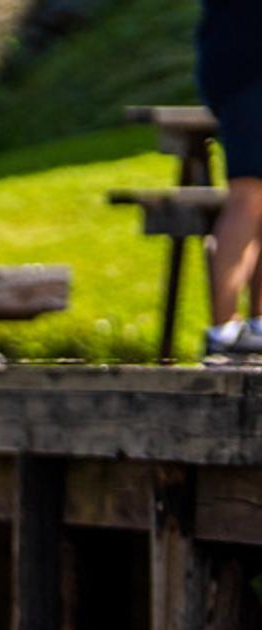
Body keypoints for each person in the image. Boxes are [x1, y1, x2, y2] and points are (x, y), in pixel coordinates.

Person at [209, 0, 262, 360]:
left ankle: (257, 323)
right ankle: (224, 328)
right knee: (246, 195)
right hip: (247, 75)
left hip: (240, 70)